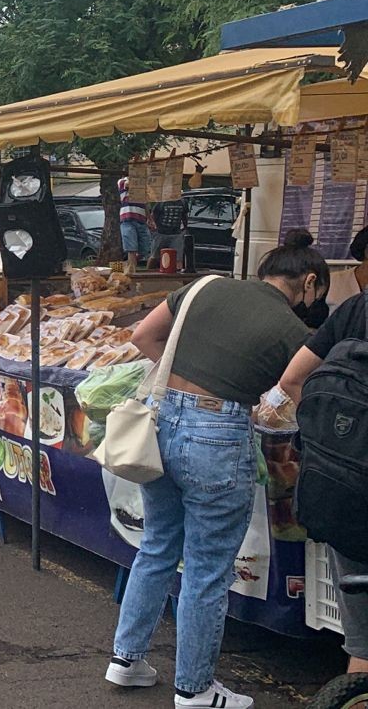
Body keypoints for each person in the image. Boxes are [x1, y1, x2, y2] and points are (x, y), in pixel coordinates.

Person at [106, 230, 327, 709]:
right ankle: (194, 688)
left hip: (160, 422)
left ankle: (125, 660)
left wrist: (186, 388)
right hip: (218, 434)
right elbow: (294, 392)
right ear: (308, 282)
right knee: (207, 569)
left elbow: (142, 335)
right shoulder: (295, 331)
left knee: (158, 545)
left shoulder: (205, 285)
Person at [277, 252, 368, 682]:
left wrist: (330, 442)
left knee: (363, 643)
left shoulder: (356, 308)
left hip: (341, 489)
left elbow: (292, 379)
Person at [119, 178, 151, 270]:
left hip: (141, 220)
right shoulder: (122, 183)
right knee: (131, 248)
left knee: (145, 248)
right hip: (127, 219)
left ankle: (128, 265)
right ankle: (132, 269)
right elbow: (127, 183)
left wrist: (149, 218)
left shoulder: (142, 191)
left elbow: (145, 205)